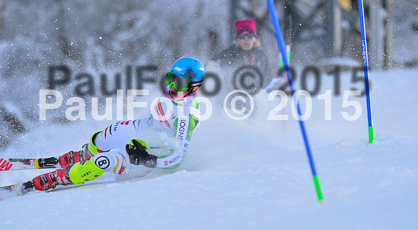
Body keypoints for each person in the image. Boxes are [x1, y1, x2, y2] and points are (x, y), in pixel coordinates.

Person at [24, 56, 205, 192]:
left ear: (193, 87)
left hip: (153, 150)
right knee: (107, 134)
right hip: (145, 129)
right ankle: (83, 155)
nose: (172, 86)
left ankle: (63, 177)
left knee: (105, 160)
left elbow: (178, 158)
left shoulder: (186, 115)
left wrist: (147, 159)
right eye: (170, 78)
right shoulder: (174, 96)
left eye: (179, 83)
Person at [213, 18, 271, 92]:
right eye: (242, 36)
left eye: (249, 35)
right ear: (238, 39)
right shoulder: (230, 53)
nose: (246, 39)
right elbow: (212, 66)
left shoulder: (261, 55)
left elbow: (268, 78)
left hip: (256, 96)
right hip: (234, 95)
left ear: (254, 38)